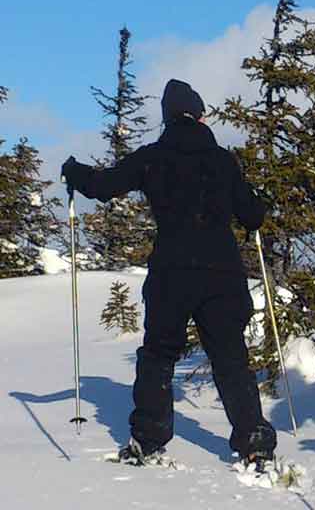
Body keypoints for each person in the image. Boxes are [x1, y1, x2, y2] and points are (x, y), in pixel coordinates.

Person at [61, 79, 277, 467]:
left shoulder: (153, 157)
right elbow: (252, 215)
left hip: (171, 273)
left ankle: (148, 436)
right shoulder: (222, 161)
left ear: (167, 117)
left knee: (159, 354)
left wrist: (75, 173)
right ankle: (254, 441)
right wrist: (255, 203)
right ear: (199, 115)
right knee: (230, 358)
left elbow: (105, 185)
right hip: (222, 273)